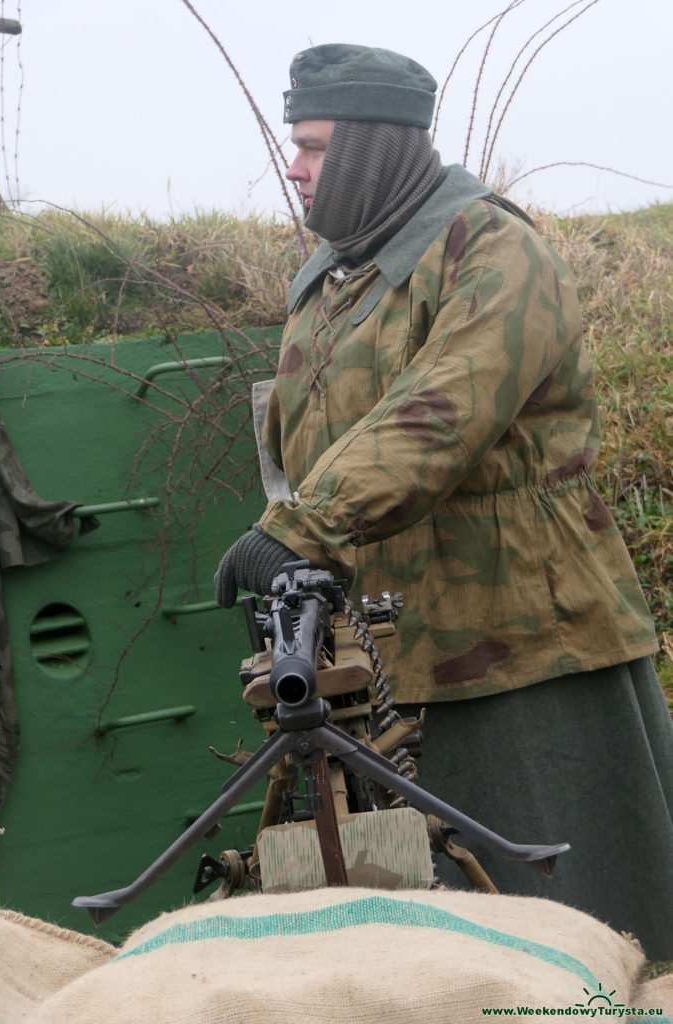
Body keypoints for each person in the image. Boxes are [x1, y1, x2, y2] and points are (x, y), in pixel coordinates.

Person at [214, 44, 673, 960]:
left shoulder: (492, 249)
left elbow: (441, 413)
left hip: (521, 648)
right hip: (387, 655)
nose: (292, 168)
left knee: (577, 923)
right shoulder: (336, 276)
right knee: (439, 943)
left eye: (310, 147)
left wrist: (301, 529)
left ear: (370, 149)